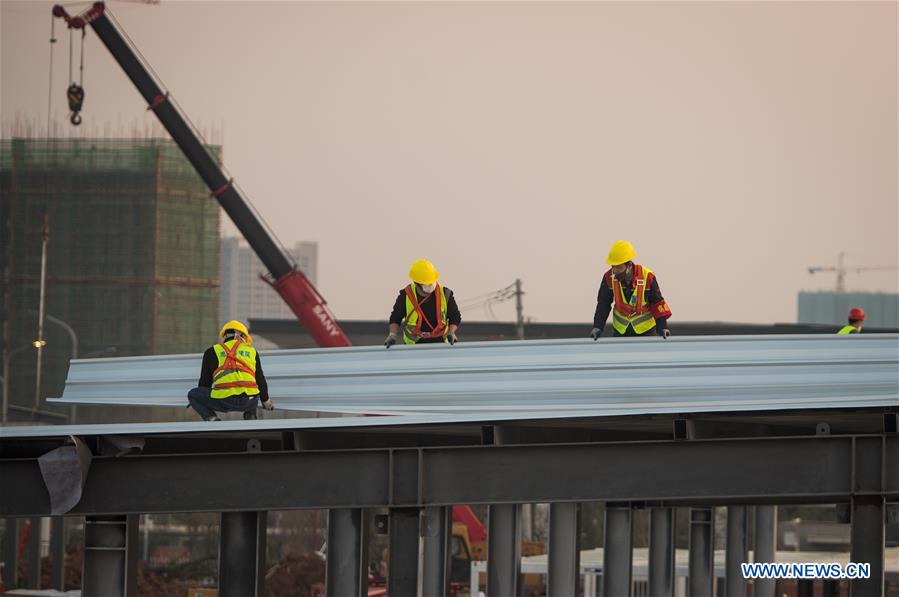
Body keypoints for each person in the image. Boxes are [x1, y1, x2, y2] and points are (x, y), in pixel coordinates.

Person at [187, 320, 274, 421]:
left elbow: (204, 383)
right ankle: (250, 416)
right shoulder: (251, 351)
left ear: (225, 336)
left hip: (224, 401)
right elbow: (260, 379)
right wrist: (265, 400)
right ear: (240, 335)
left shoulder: (211, 352)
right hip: (249, 402)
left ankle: (212, 418)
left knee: (193, 394)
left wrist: (203, 402)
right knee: (250, 388)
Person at [590, 240, 672, 339]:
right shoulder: (608, 277)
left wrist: (663, 327)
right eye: (613, 266)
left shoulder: (647, 276)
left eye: (618, 267)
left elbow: (657, 303)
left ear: (629, 265)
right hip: (620, 331)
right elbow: (603, 303)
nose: (614, 271)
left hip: (646, 331)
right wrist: (597, 327)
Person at [385, 259, 462, 348]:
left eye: (431, 283)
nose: (430, 287)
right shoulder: (405, 296)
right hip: (413, 346)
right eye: (426, 285)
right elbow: (396, 317)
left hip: (440, 344)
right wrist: (392, 335)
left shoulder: (445, 294)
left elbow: (455, 316)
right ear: (416, 284)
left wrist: (451, 332)